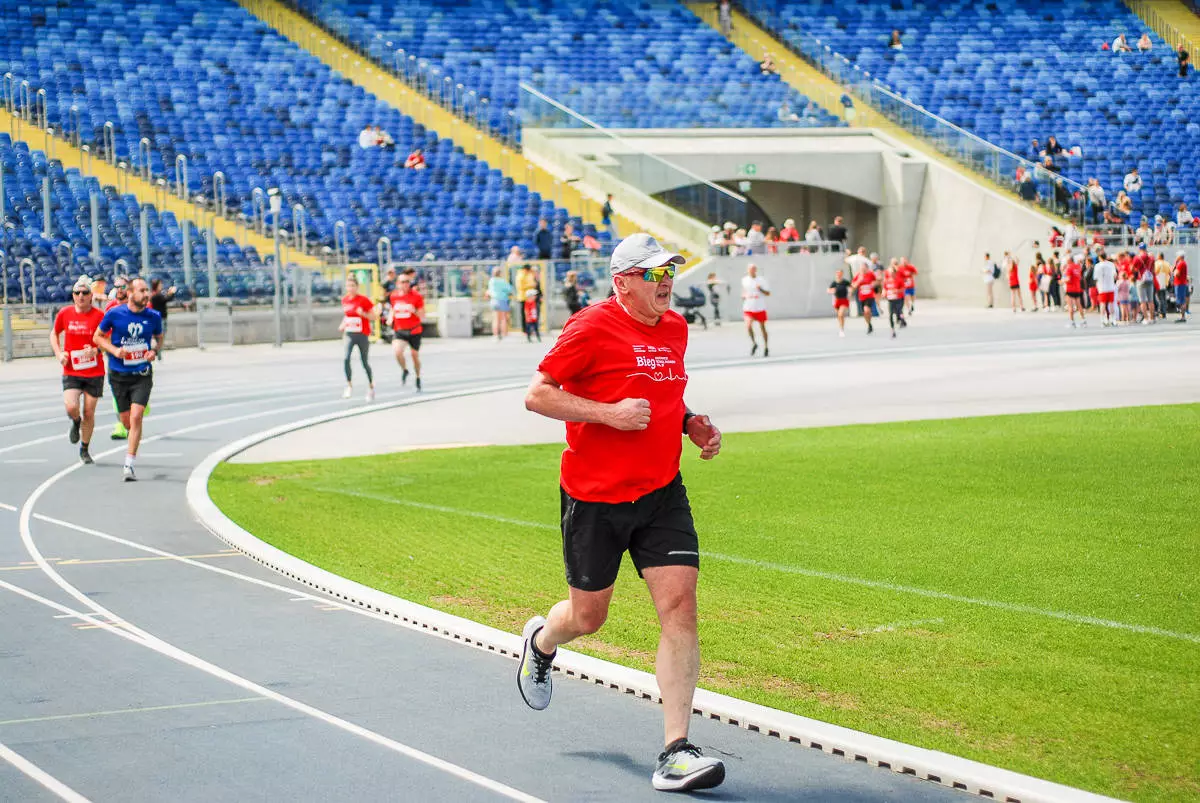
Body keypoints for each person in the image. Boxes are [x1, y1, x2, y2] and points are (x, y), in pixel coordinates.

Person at [518, 232, 725, 793]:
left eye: (670, 273)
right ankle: (542, 641)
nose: (667, 283)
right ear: (624, 281)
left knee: (680, 607)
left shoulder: (676, 328)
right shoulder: (589, 326)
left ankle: (675, 750)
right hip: (595, 498)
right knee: (588, 618)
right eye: (655, 274)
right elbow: (537, 394)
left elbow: (663, 394)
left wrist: (689, 423)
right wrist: (608, 414)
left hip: (661, 491)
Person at [93, 277, 162, 482]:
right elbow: (98, 337)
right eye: (142, 290)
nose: (146, 294)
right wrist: (115, 350)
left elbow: (159, 338)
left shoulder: (154, 316)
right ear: (130, 293)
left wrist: (153, 351)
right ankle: (133, 435)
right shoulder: (115, 313)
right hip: (118, 374)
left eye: (147, 290)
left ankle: (128, 464)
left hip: (142, 373)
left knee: (136, 416)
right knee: (126, 421)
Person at [50, 276, 105, 465]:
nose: (81, 296)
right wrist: (59, 353)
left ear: (91, 296)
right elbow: (54, 334)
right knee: (72, 407)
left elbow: (109, 340)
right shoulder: (65, 314)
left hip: (93, 370)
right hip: (72, 369)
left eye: (85, 293)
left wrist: (96, 350)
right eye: (77, 293)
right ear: (73, 296)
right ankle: (75, 421)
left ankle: (85, 448)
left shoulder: (99, 316)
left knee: (89, 412)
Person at [339, 276, 378, 401]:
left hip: (362, 334)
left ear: (357, 287)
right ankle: (349, 385)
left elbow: (374, 316)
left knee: (364, 361)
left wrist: (364, 314)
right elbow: (347, 315)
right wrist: (343, 324)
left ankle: (371, 386)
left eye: (353, 286)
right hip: (349, 334)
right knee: (346, 358)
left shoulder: (364, 300)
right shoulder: (345, 300)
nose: (350, 288)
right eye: (348, 286)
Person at [103, 276, 131, 439]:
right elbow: (103, 331)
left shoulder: (139, 305)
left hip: (135, 354)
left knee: (136, 389)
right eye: (116, 287)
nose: (119, 290)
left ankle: (141, 404)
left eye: (123, 287)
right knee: (117, 391)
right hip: (115, 353)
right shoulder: (110, 307)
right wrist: (109, 348)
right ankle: (120, 425)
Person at [388, 273, 424, 391]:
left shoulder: (416, 296)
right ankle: (405, 369)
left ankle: (418, 376)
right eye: (402, 282)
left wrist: (414, 310)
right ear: (397, 284)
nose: (405, 284)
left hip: (414, 330)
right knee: (397, 352)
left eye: (407, 282)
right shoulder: (394, 296)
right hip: (400, 330)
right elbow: (393, 308)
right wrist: (390, 317)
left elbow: (422, 315)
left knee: (414, 355)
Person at [741, 263, 770, 356]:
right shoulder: (745, 280)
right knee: (748, 326)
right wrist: (743, 295)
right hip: (749, 307)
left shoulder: (761, 280)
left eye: (753, 269)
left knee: (762, 328)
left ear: (756, 270)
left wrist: (760, 289)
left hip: (759, 307)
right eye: (750, 269)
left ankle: (766, 347)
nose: (752, 271)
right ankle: (754, 343)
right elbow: (744, 291)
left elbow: (768, 293)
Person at [148, 279, 176, 358]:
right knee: (160, 336)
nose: (161, 286)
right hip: (160, 319)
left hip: (160, 318)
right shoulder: (156, 295)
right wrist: (171, 293)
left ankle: (157, 351)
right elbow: (166, 299)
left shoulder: (156, 295)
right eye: (160, 285)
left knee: (160, 336)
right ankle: (157, 352)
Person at [485, 266, 514, 339]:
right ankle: (504, 334)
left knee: (495, 318)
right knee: (503, 318)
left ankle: (495, 335)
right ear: (500, 273)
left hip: (494, 300)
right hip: (502, 300)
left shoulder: (491, 281)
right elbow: (510, 289)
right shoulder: (502, 281)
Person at [850, 260, 876, 334]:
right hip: (862, 297)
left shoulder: (871, 274)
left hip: (870, 295)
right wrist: (859, 280)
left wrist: (874, 284)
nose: (862, 269)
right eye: (861, 268)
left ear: (867, 268)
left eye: (864, 268)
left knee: (867, 310)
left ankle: (869, 321)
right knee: (865, 313)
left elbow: (877, 282)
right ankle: (869, 324)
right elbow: (853, 286)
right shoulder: (858, 275)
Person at [1093, 251, 1118, 327]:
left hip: (1102, 287)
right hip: (1110, 286)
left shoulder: (1097, 266)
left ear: (1100, 257)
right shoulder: (1111, 264)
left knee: (1102, 304)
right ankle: (1112, 319)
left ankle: (1103, 320)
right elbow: (1115, 275)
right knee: (1111, 304)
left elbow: (1095, 278)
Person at [1062, 253, 1086, 328]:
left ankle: (1072, 322)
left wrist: (1062, 281)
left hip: (1070, 289)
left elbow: (1068, 279)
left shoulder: (1069, 268)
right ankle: (1083, 321)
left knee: (1070, 306)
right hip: (1077, 288)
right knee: (1079, 305)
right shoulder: (1078, 267)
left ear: (1069, 260)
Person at [883, 261, 905, 338]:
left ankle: (901, 320)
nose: (891, 274)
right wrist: (884, 293)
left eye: (892, 273)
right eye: (890, 273)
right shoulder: (886, 281)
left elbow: (903, 289)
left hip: (898, 298)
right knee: (890, 315)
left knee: (899, 311)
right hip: (890, 299)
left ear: (895, 273)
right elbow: (885, 288)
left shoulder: (899, 280)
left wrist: (897, 291)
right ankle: (892, 330)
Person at [828, 268, 851, 336]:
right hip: (837, 300)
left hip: (844, 300)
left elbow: (851, 287)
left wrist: (850, 292)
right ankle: (841, 327)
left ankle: (841, 329)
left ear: (842, 274)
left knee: (841, 314)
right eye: (837, 273)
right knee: (839, 316)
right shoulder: (834, 283)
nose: (839, 274)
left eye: (840, 273)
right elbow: (828, 290)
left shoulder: (845, 282)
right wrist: (832, 291)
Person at [1173, 251, 1190, 322]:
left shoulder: (1181, 264)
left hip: (1180, 284)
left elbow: (1177, 274)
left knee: (1181, 301)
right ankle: (1182, 316)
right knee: (1181, 300)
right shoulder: (1181, 263)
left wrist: (1174, 273)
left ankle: (1183, 317)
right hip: (1181, 283)